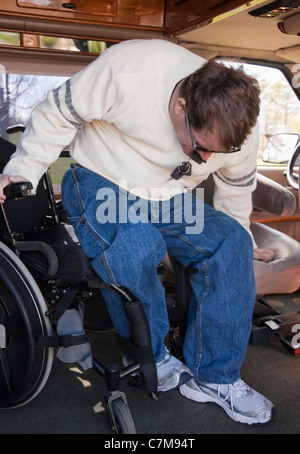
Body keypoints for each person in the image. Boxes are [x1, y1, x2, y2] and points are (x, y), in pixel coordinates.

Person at [0, 39, 275, 425]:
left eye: (217, 153)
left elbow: (234, 194)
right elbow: (56, 113)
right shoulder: (132, 70)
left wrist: (242, 237)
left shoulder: (239, 128)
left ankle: (215, 377)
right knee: (136, 244)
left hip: (168, 197)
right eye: (200, 150)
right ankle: (150, 355)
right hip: (102, 179)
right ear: (181, 106)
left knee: (232, 243)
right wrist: (22, 171)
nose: (206, 161)